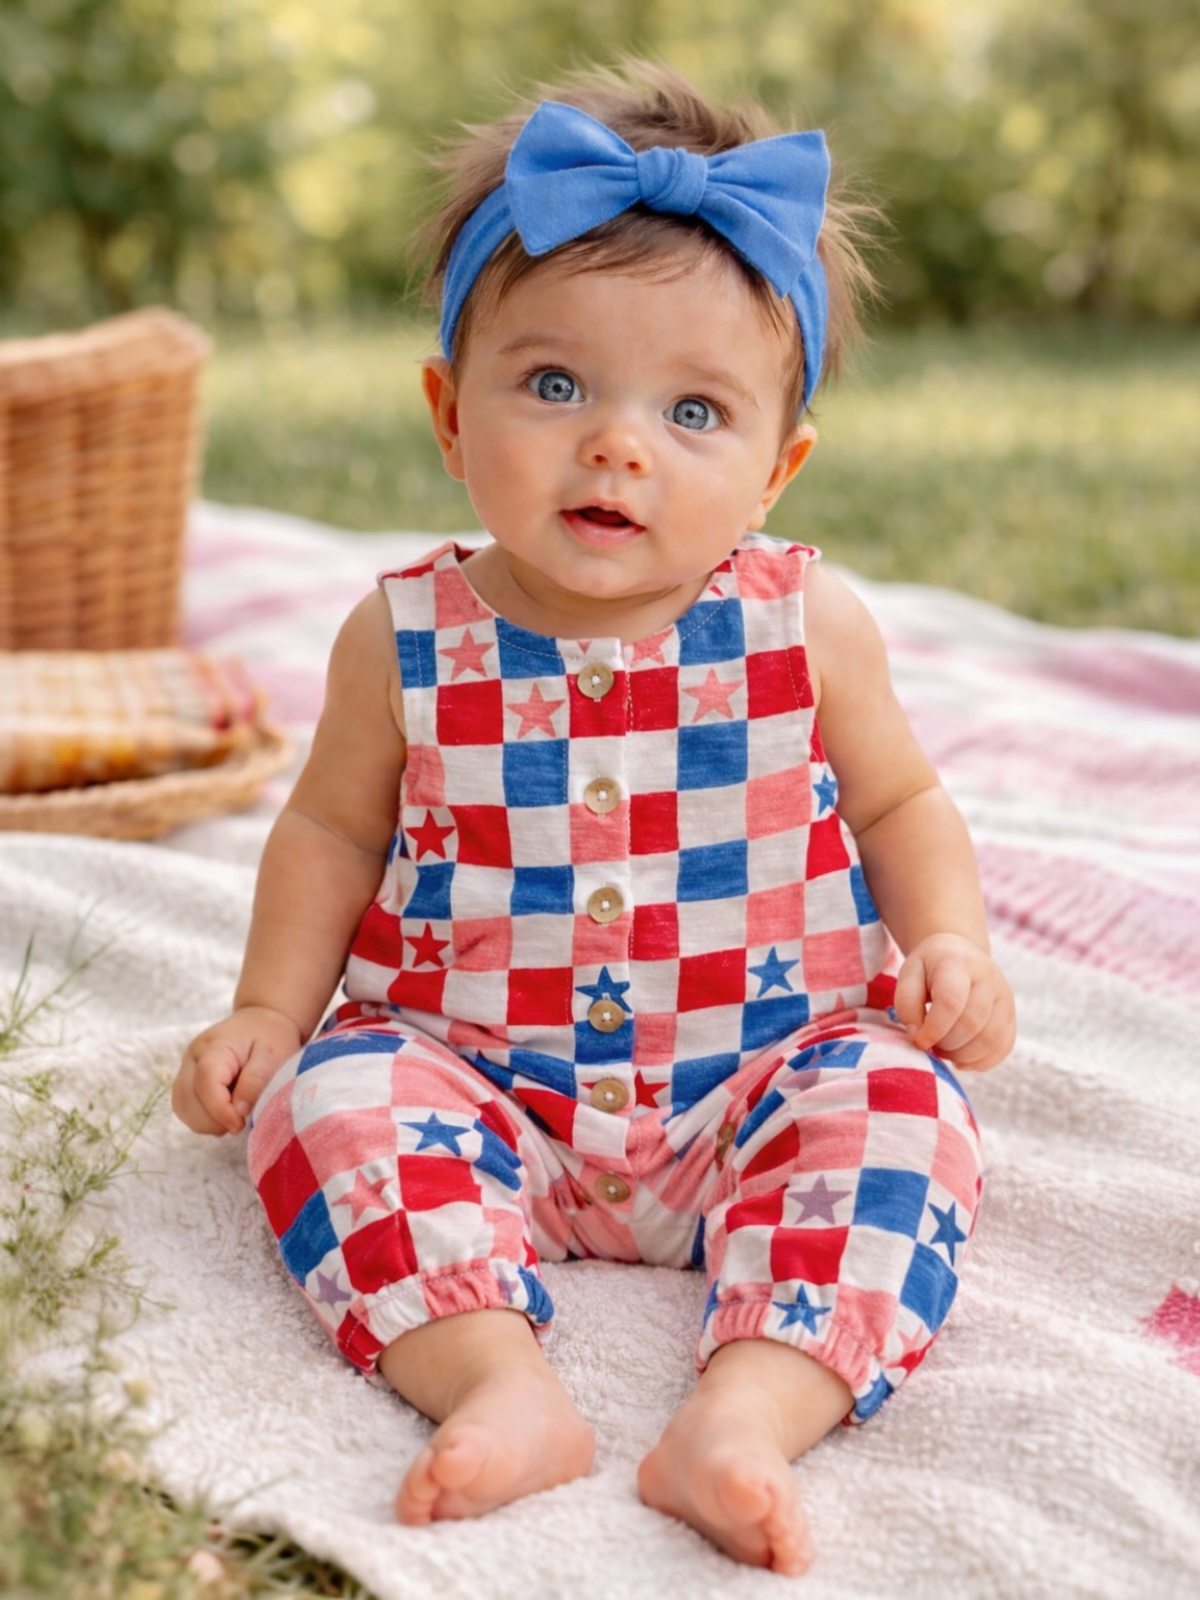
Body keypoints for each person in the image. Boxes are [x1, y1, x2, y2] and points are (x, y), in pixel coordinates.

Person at [172, 61, 1015, 1576]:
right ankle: (498, 1382)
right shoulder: (405, 637)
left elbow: (899, 798)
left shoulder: (806, 622)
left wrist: (948, 937)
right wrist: (269, 1010)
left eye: (695, 411)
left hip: (758, 1079)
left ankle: (745, 1414)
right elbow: (326, 839)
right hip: (479, 1080)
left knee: (905, 1117)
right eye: (554, 386)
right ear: (448, 411)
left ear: (778, 467)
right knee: (332, 1108)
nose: (619, 443)